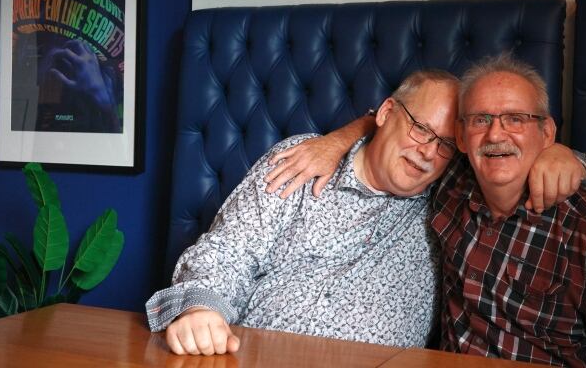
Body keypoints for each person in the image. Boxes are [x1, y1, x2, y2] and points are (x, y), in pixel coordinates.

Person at [146, 70, 459, 355]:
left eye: (446, 144)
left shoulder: (452, 205)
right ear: (387, 113)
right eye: (420, 129)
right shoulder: (302, 161)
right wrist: (202, 309)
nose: (429, 152)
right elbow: (229, 251)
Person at [439, 55, 586, 365]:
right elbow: (396, 133)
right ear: (460, 136)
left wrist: (576, 160)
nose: (496, 134)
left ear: (546, 133)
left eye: (515, 118)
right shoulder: (449, 187)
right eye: (480, 119)